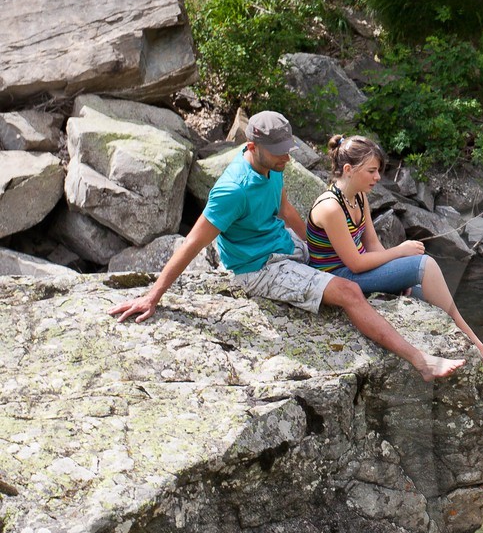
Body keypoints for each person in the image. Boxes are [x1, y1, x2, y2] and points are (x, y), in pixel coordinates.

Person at [108, 111, 464, 381]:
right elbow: (191, 244)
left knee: (340, 262)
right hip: (259, 266)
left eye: (287, 150)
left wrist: (316, 245)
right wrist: (152, 296)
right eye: (278, 152)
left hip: (286, 245)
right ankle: (420, 360)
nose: (286, 158)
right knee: (348, 291)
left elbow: (286, 209)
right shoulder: (232, 191)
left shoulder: (273, 166)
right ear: (251, 147)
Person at [309, 134, 483, 380]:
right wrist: (400, 252)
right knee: (424, 264)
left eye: (378, 171)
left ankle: (476, 361)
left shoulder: (358, 196)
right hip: (339, 279)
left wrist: (394, 275)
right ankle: (476, 345)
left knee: (421, 292)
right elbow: (354, 262)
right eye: (372, 171)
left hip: (357, 273)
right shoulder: (330, 207)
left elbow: (372, 243)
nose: (377, 178)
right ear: (349, 169)